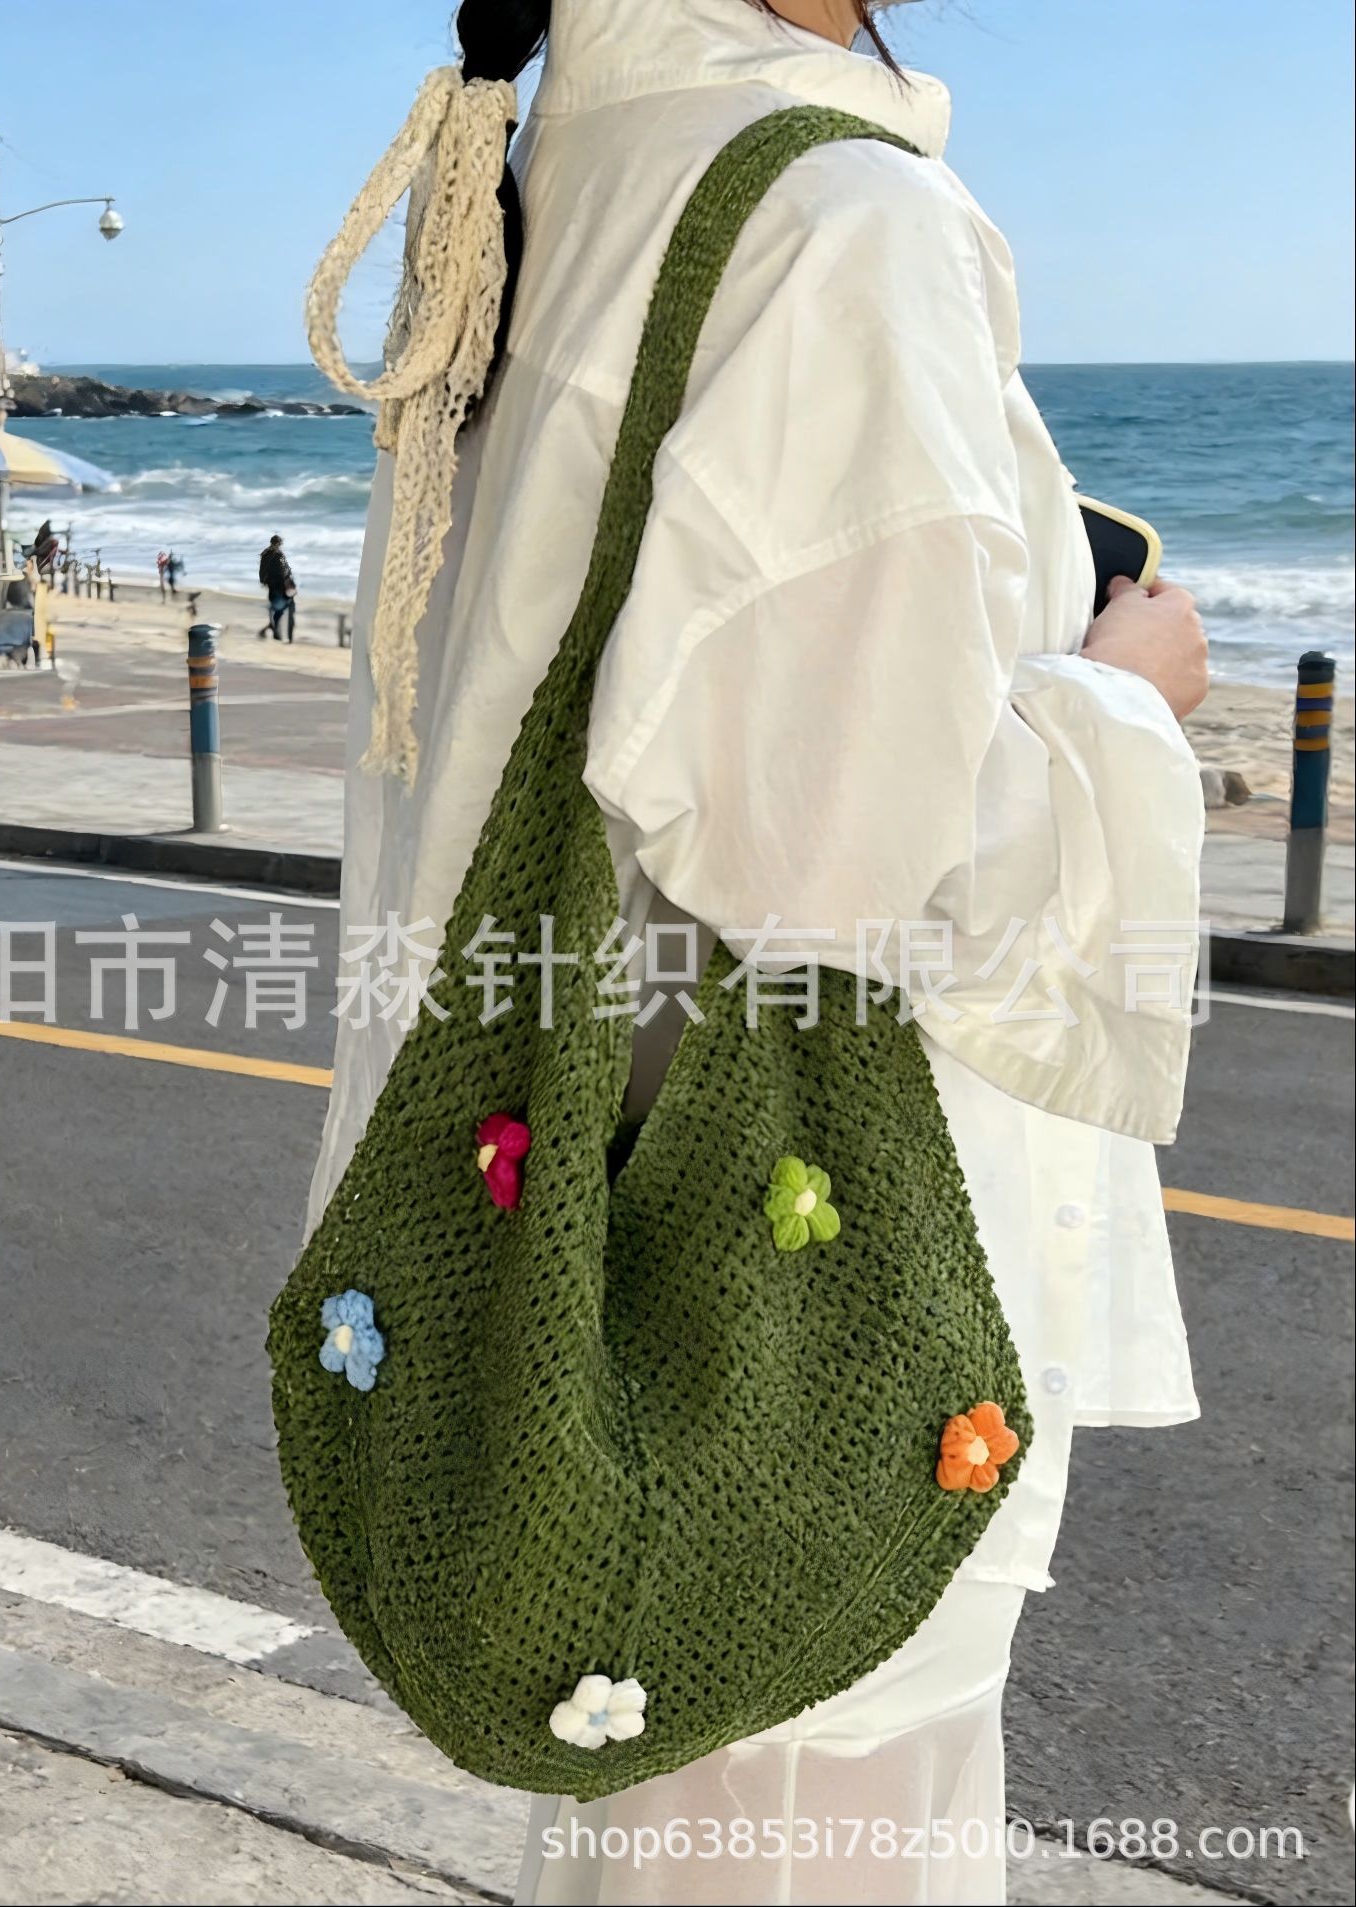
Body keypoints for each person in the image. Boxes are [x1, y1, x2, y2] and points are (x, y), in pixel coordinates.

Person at [303, 4, 1210, 1904]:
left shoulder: (536, 177)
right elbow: (858, 859)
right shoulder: (837, 218)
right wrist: (1129, 698)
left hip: (577, 1279)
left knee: (661, 1825)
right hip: (806, 1304)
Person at [258, 534, 296, 641]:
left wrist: (264, 581)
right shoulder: (279, 555)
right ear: (280, 543)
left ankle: (273, 631)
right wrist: (290, 582)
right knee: (284, 608)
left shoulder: (265, 554)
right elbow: (285, 571)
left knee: (277, 609)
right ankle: (278, 633)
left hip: (271, 586)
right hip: (280, 587)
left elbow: (262, 571)